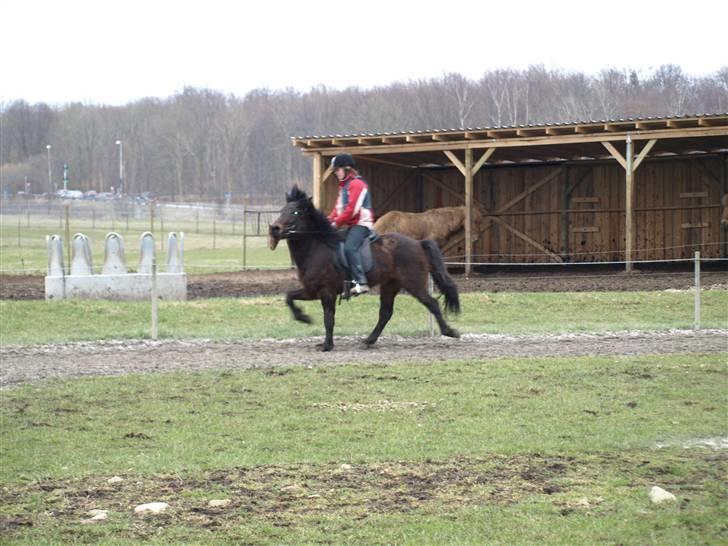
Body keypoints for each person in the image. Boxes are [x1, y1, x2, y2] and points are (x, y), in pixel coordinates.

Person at [327, 153, 374, 295]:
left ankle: (361, 282)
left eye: (337, 170)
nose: (335, 173)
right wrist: (326, 222)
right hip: (349, 225)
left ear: (347, 169)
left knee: (349, 248)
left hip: (361, 224)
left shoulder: (357, 184)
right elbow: (338, 209)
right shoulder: (344, 187)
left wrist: (336, 224)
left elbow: (351, 210)